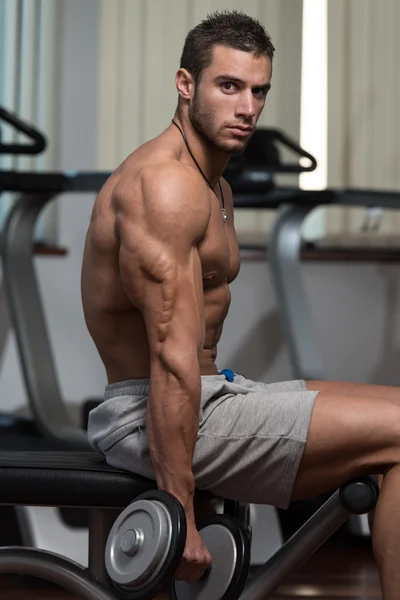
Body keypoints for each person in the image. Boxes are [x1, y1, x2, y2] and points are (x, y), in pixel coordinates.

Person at [81, 10, 400, 597]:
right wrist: (180, 515)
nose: (248, 107)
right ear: (185, 84)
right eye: (229, 86)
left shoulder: (214, 184)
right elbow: (171, 360)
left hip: (214, 396)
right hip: (156, 413)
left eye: (259, 91)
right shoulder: (165, 188)